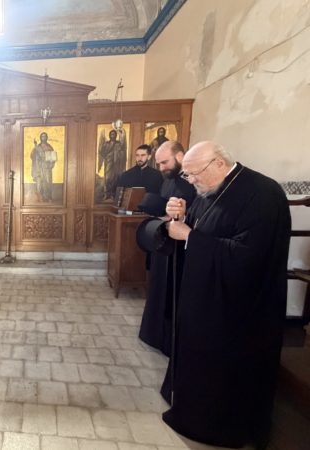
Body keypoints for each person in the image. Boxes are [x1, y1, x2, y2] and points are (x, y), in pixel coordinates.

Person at [161, 141, 291, 448]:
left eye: (194, 173)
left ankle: (216, 427)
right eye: (187, 175)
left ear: (219, 163)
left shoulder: (263, 194)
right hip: (206, 300)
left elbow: (248, 257)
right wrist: (181, 217)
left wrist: (189, 236)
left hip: (238, 311)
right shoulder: (212, 189)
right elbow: (204, 227)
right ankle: (189, 407)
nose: (191, 181)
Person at [138, 141, 196, 356]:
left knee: (173, 294)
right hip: (164, 243)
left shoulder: (192, 181)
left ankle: (168, 340)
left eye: (164, 162)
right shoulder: (169, 179)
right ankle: (155, 334)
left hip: (180, 249)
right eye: (159, 163)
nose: (161, 168)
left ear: (180, 156)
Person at [98, 128, 127, 200]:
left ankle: (113, 194)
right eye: (111, 134)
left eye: (114, 134)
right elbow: (101, 150)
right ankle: (107, 193)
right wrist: (102, 138)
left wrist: (122, 134)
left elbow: (123, 144)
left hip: (116, 163)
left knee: (115, 178)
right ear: (109, 135)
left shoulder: (118, 143)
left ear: (116, 135)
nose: (113, 135)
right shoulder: (107, 144)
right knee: (107, 178)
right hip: (109, 162)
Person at [30, 132, 57, 202]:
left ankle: (48, 197)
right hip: (39, 167)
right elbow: (32, 155)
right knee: (39, 182)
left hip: (47, 167)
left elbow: (53, 158)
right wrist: (35, 151)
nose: (43, 138)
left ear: (47, 138)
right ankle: (40, 197)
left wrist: (51, 165)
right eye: (42, 136)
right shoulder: (37, 147)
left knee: (48, 181)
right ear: (40, 138)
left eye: (45, 136)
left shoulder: (49, 147)